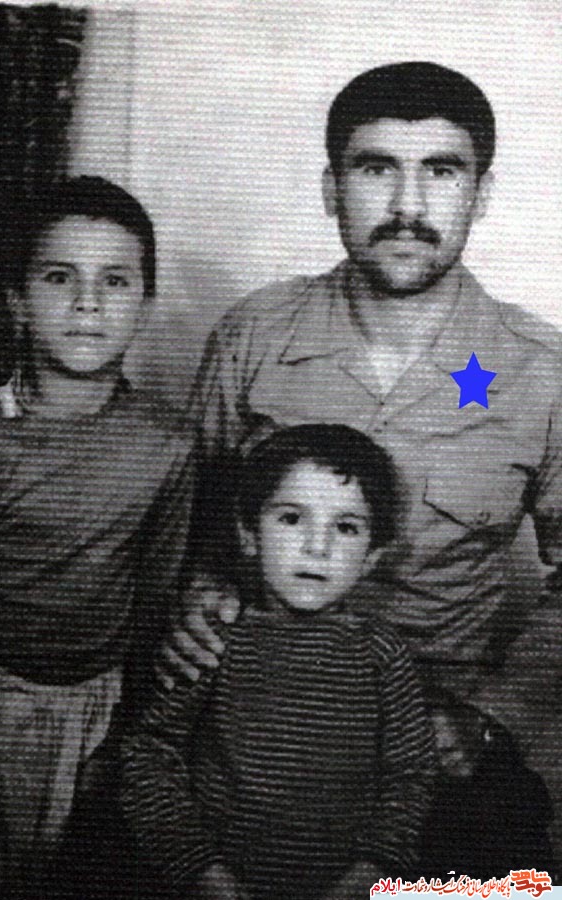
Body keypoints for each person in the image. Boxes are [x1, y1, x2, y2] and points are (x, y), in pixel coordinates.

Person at [172, 61, 562, 871]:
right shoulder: (253, 335)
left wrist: (495, 714)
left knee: (510, 881)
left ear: (481, 194)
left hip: (438, 738)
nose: (408, 207)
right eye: (376, 168)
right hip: (255, 730)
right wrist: (200, 589)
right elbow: (189, 518)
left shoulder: (541, 371)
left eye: (441, 172)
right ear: (331, 188)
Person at [0, 176, 195, 897]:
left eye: (115, 281)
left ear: (145, 305)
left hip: (93, 704)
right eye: (59, 277)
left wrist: (124, 724)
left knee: (61, 873)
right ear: (17, 301)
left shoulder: (168, 442)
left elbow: (155, 597)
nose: (88, 302)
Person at [122, 424, 436, 900]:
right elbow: (149, 755)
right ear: (248, 534)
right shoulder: (215, 638)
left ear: (373, 556)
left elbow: (410, 777)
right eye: (291, 518)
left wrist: (370, 874)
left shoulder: (381, 654)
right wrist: (200, 871)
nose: (318, 547)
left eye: (346, 527)